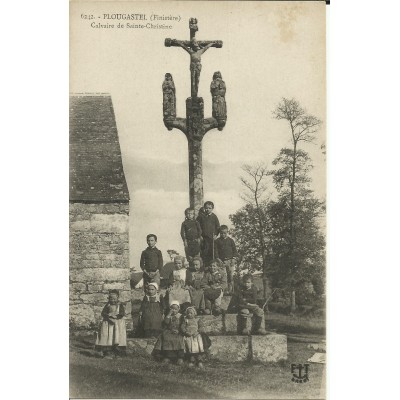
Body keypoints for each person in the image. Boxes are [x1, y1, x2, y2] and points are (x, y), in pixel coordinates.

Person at [95, 290, 127, 358]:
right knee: (108, 337)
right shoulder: (107, 305)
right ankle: (107, 353)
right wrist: (108, 317)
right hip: (108, 323)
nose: (113, 300)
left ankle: (117, 353)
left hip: (117, 323)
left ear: (117, 298)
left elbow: (122, 313)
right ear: (109, 298)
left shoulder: (119, 305)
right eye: (111, 298)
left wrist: (117, 317)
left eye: (114, 299)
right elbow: (103, 313)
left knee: (117, 337)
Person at [215, 225, 239, 294]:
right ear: (220, 233)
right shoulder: (217, 241)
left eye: (225, 233)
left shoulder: (231, 241)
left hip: (230, 261)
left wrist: (234, 259)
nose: (223, 234)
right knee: (223, 276)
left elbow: (235, 251)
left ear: (227, 232)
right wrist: (218, 259)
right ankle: (224, 290)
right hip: (221, 261)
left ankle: (231, 291)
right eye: (221, 233)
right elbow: (216, 251)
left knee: (230, 276)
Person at [196, 201, 220, 268]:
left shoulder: (214, 217)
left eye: (209, 208)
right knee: (204, 253)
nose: (208, 209)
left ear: (212, 208)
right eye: (206, 208)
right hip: (204, 239)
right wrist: (200, 236)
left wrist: (216, 235)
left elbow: (218, 227)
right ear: (204, 208)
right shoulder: (201, 217)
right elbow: (197, 226)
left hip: (212, 239)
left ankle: (213, 268)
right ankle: (204, 268)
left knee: (212, 254)